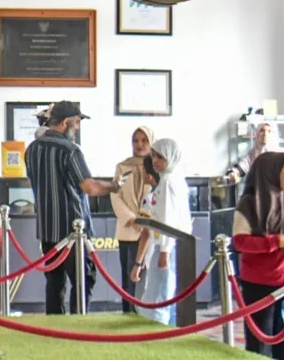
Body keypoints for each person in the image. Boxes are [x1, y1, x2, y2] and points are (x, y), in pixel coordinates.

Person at [24, 100, 122, 315]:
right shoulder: (70, 150)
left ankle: (55, 327)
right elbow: (90, 187)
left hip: (47, 230)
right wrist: (115, 186)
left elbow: (35, 183)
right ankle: (78, 323)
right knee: (83, 279)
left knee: (54, 283)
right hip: (72, 231)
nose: (77, 128)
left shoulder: (31, 149)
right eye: (76, 123)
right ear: (66, 122)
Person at [232, 151, 284, 359]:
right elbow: (241, 242)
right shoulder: (250, 204)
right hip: (259, 287)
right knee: (260, 347)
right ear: (270, 172)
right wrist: (277, 241)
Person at [131, 138, 191, 325]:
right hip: (170, 246)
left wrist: (164, 251)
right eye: (154, 156)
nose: (155, 160)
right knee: (161, 293)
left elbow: (168, 219)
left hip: (167, 246)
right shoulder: (171, 179)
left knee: (159, 296)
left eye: (160, 156)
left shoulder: (169, 181)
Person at [111, 126, 155, 313]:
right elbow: (115, 195)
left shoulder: (156, 167)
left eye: (144, 140)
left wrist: (145, 219)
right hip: (129, 231)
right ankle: (128, 315)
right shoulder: (123, 166)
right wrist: (131, 219)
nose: (140, 144)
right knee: (129, 280)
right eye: (136, 141)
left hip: (151, 231)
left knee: (149, 280)